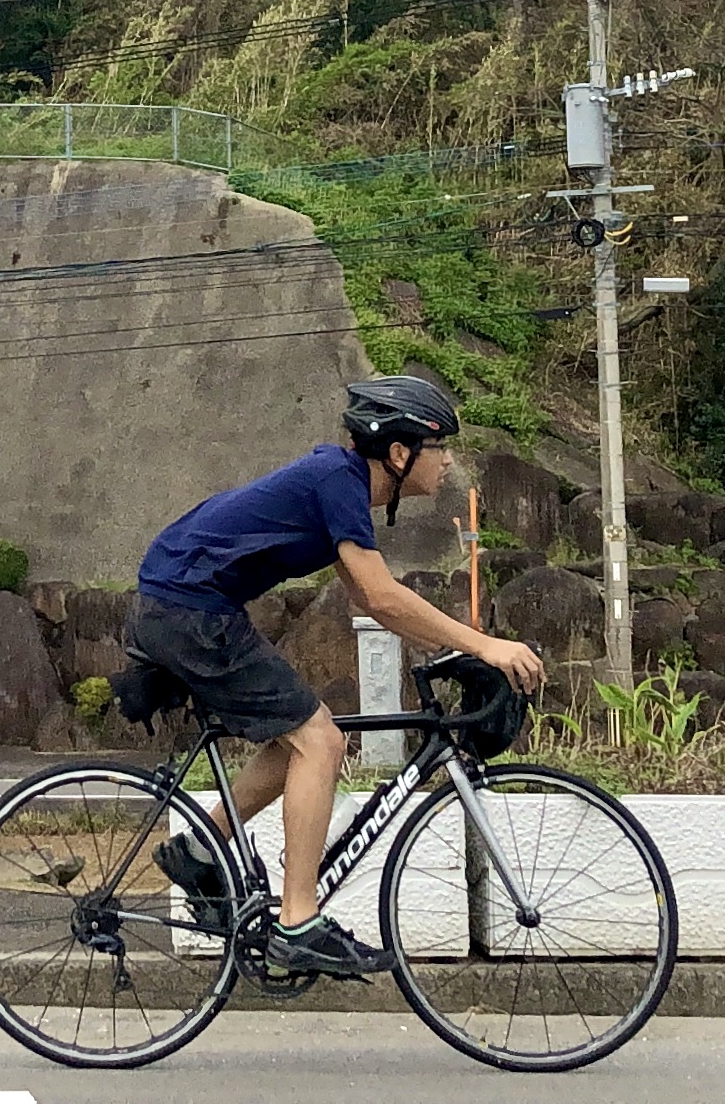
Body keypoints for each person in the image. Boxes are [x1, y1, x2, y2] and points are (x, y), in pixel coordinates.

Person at [130, 373, 546, 980]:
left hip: (184, 605)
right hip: (189, 610)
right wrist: (485, 645)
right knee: (321, 740)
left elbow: (367, 599)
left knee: (295, 739)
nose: (449, 459)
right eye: (440, 447)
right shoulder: (337, 481)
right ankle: (299, 924)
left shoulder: (340, 485)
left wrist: (455, 648)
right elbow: (380, 596)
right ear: (399, 454)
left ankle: (199, 848)